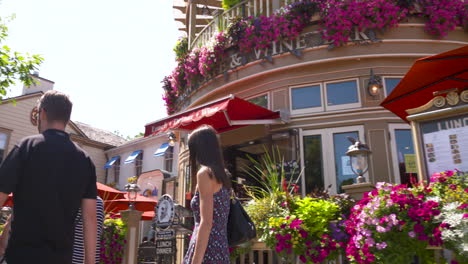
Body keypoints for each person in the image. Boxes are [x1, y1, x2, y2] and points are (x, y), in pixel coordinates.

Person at [0, 90, 97, 264]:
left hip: (21, 256)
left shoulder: (26, 146)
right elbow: (89, 217)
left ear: (42, 113)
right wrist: (89, 261)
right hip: (60, 258)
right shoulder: (85, 159)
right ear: (67, 119)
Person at [182, 125, 231, 264]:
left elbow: (206, 223)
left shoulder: (205, 174)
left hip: (207, 248)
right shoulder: (222, 175)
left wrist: (196, 260)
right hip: (220, 246)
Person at [72, 196, 105, 264]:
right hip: (92, 257)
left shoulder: (70, 200)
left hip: (70, 256)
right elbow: (99, 232)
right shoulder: (98, 202)